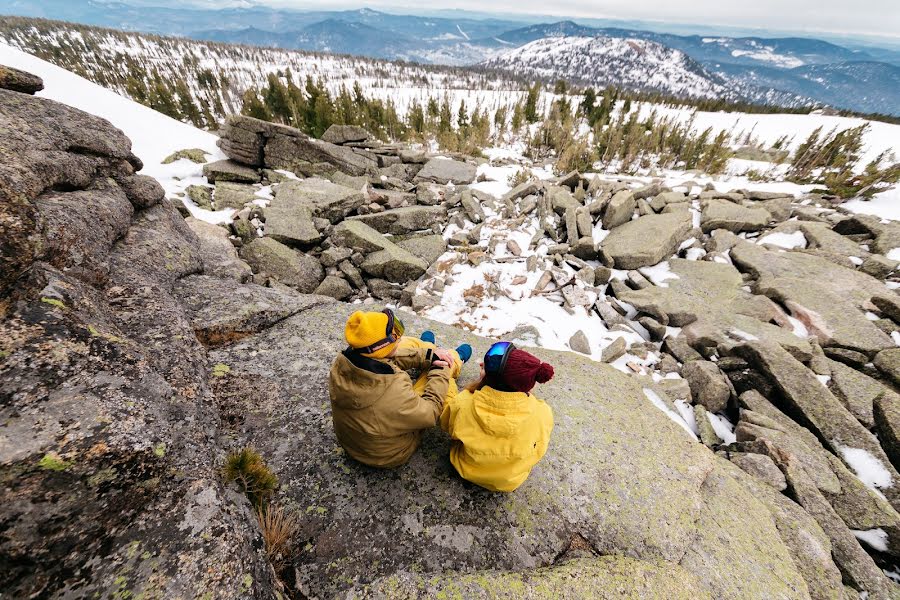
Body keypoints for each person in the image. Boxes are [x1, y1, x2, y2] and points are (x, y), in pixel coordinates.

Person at [329, 309, 472, 468]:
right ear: (381, 345)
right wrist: (440, 369)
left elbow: (384, 356)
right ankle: (455, 358)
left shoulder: (342, 361)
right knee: (442, 367)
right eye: (395, 332)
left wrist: (429, 354)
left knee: (408, 346)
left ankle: (430, 346)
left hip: (355, 443)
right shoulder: (394, 390)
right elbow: (431, 413)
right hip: (389, 454)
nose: (399, 335)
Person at [440, 342, 555, 492]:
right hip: (510, 482)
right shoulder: (543, 412)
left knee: (447, 385)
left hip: (464, 468)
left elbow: (445, 424)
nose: (481, 364)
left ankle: (448, 367)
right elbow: (538, 450)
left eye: (485, 367)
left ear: (490, 380)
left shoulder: (464, 403)